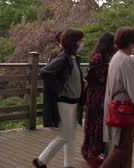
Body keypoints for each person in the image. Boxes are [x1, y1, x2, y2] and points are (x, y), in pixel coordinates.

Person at [33, 28, 85, 168]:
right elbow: (46, 72)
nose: (82, 43)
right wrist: (59, 89)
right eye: (80, 41)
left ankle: (69, 164)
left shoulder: (74, 58)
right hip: (65, 102)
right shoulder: (64, 57)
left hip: (73, 102)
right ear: (73, 43)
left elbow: (70, 75)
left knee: (70, 136)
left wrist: (81, 81)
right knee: (65, 136)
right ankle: (41, 161)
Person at [101, 27, 134, 168]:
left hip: (115, 105)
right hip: (124, 107)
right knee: (123, 148)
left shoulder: (116, 57)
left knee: (123, 146)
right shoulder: (126, 60)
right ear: (130, 43)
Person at [81, 32, 116, 168]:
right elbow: (93, 77)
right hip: (97, 94)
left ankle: (91, 150)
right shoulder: (99, 58)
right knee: (97, 123)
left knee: (94, 122)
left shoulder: (101, 56)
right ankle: (94, 152)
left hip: (96, 93)